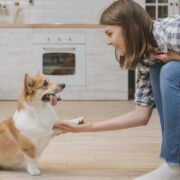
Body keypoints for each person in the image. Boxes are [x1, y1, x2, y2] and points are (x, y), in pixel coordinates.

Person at [53, 0, 180, 179]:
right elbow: (140, 115)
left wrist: (176, 56)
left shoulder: (173, 31)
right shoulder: (147, 58)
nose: (108, 42)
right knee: (159, 69)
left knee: (170, 70)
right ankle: (174, 162)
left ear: (128, 27)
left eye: (109, 33)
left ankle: (175, 166)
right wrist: (87, 128)